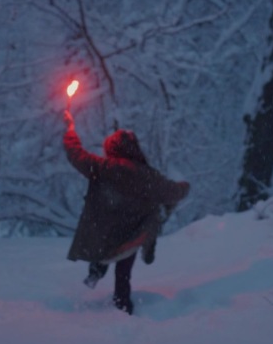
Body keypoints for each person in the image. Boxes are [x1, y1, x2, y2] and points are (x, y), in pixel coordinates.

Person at [62, 110, 190, 315]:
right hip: (132, 233)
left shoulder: (104, 167)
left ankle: (95, 272)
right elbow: (171, 192)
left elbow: (77, 156)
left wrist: (70, 130)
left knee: (103, 249)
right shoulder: (148, 176)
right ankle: (122, 305)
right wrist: (185, 186)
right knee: (123, 273)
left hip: (105, 230)